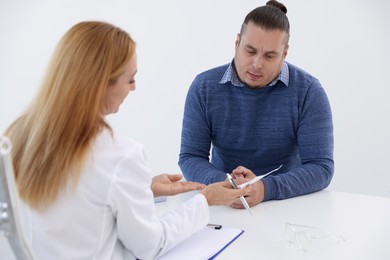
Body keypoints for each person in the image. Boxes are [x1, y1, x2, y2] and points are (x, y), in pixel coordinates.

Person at [3, 21, 250, 260]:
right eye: (130, 79)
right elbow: (151, 246)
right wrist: (206, 201)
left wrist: (142, 189)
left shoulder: (17, 135)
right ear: (100, 84)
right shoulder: (119, 155)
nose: (133, 88)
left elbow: (75, 202)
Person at [179, 0, 334, 209]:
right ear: (237, 43)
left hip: (286, 204)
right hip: (223, 204)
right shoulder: (204, 87)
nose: (257, 64)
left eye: (270, 56)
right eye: (250, 51)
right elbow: (191, 157)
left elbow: (321, 167)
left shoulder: (308, 91)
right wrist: (226, 185)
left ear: (285, 54)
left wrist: (265, 188)